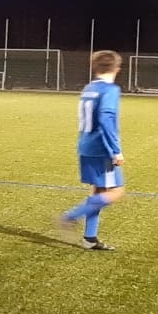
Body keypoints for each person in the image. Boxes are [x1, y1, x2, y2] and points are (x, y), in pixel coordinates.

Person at [58, 50, 126, 251]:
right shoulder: (110, 90)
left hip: (85, 145)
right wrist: (116, 150)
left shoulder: (89, 88)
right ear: (117, 69)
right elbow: (106, 118)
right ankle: (70, 216)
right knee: (116, 191)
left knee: (99, 190)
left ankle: (90, 238)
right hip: (101, 149)